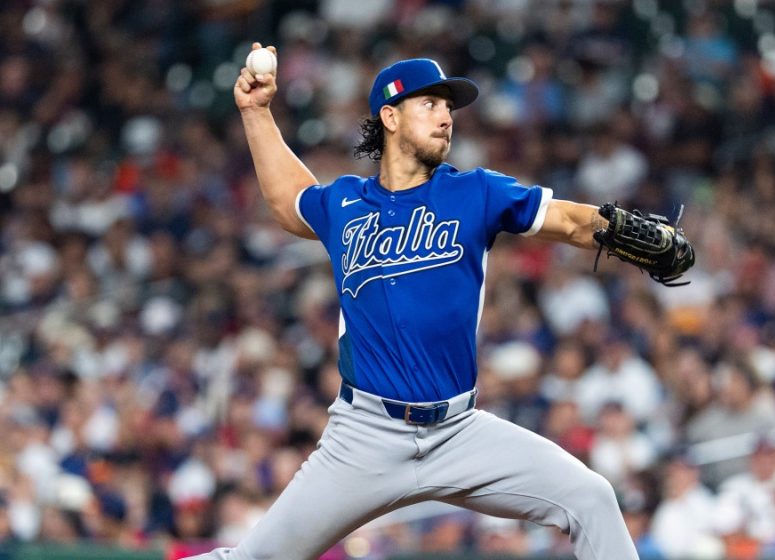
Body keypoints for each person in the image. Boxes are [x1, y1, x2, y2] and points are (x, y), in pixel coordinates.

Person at [187, 43, 655, 560]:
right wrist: (255, 112)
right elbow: (288, 201)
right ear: (389, 116)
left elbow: (568, 220)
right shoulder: (345, 204)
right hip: (363, 437)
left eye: (449, 108)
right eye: (430, 104)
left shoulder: (474, 192)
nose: (446, 117)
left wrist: (617, 228)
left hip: (460, 431)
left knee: (591, 497)